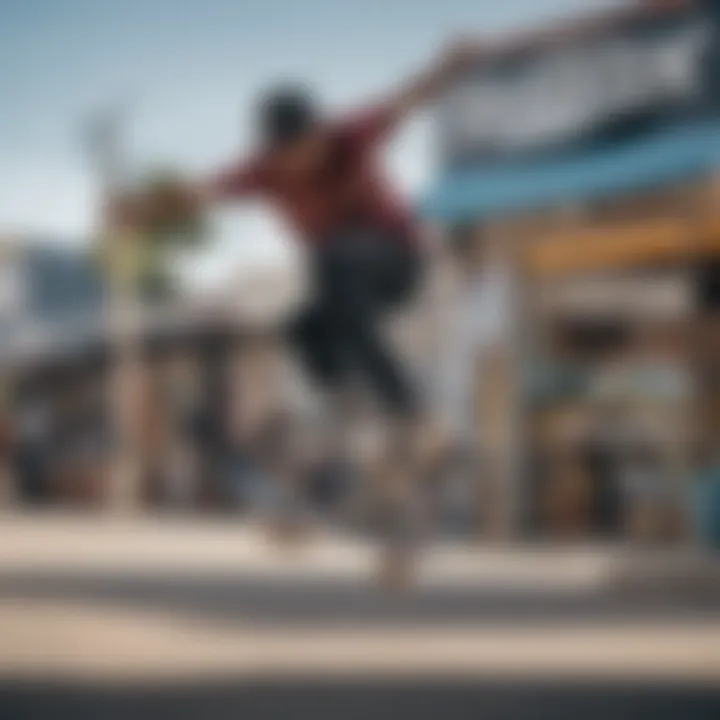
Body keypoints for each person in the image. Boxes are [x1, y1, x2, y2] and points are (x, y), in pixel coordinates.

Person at [115, 40, 484, 581]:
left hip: (396, 264)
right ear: (273, 148)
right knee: (304, 325)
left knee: (334, 260)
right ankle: (350, 415)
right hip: (345, 287)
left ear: (317, 131)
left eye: (306, 146)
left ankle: (410, 412)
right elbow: (202, 192)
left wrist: (448, 66)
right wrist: (142, 212)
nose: (299, 160)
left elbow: (405, 101)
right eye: (288, 153)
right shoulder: (264, 171)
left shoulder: (350, 137)